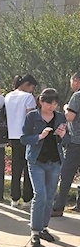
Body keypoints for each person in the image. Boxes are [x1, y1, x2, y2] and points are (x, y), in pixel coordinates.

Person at [21, 88, 70, 247]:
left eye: (55, 104)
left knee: (49, 196)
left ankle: (43, 227)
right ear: (41, 102)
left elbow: (67, 141)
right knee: (40, 194)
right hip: (36, 160)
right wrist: (39, 136)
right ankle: (35, 231)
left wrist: (62, 136)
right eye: (49, 103)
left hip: (54, 161)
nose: (52, 106)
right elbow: (23, 138)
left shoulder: (60, 117)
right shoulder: (32, 117)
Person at [5, 74, 38, 207]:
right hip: (26, 135)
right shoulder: (28, 97)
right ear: (27, 84)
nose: (32, 90)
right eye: (32, 87)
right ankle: (27, 198)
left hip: (13, 135)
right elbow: (31, 118)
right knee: (28, 167)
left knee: (16, 168)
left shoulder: (8, 96)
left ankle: (14, 198)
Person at [52, 71, 80, 216]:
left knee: (66, 174)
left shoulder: (77, 96)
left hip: (76, 142)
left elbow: (69, 117)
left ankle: (58, 206)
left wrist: (65, 108)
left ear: (76, 81)